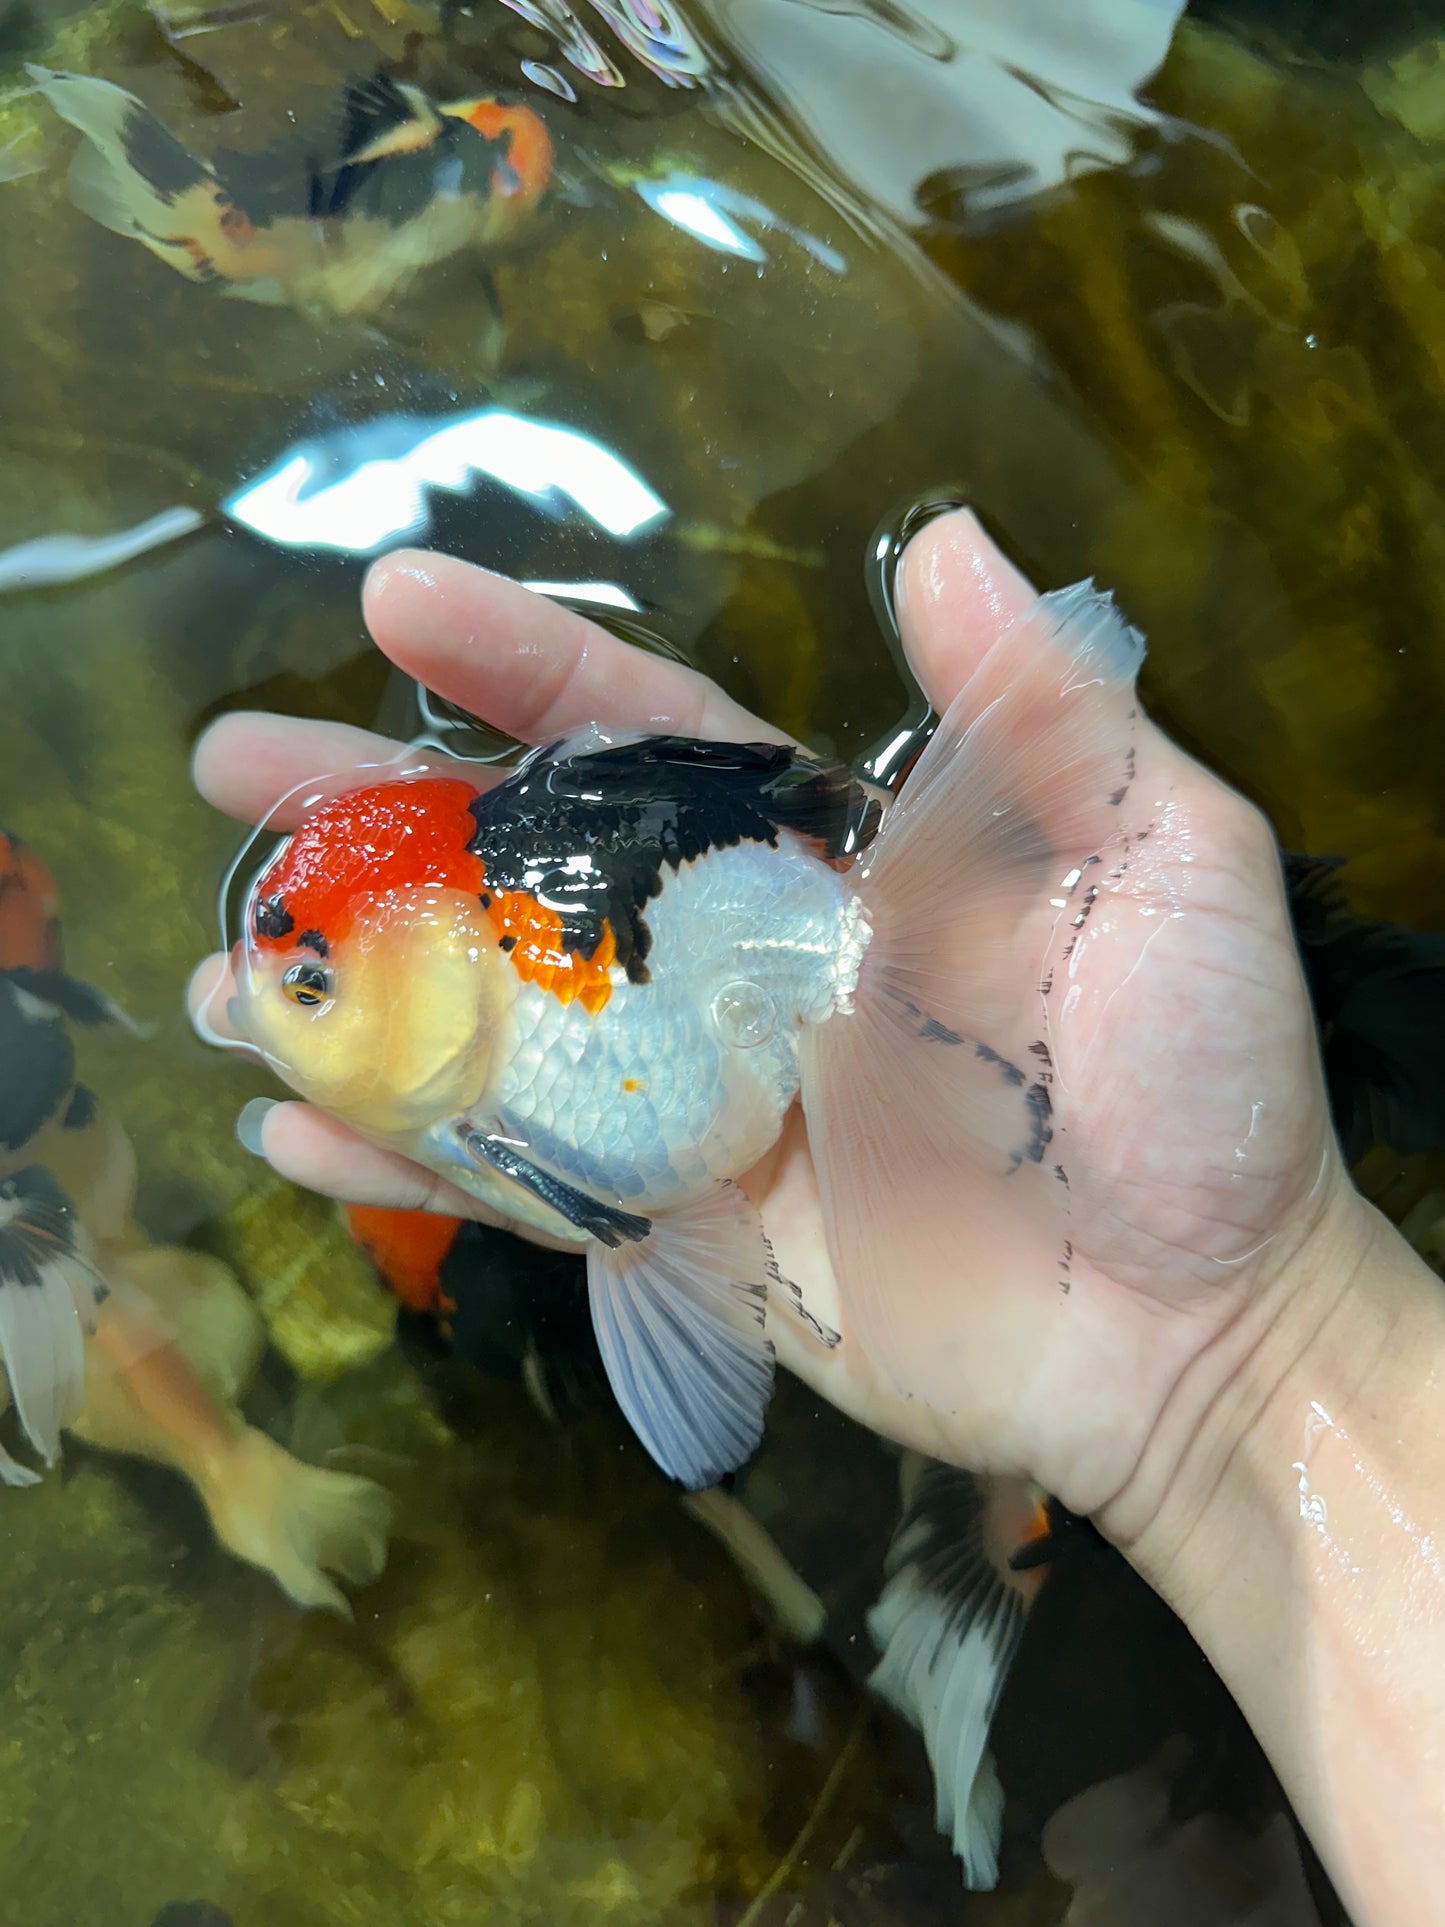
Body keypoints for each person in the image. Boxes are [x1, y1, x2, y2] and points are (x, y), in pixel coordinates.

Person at [192, 509, 1445, 1927]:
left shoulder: (507, 1043)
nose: (271, 1011)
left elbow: (633, 1219)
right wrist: (1268, 1359)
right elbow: (639, 1228)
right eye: (303, 988)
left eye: (305, 991)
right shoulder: (467, 1061)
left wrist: (1260, 1340)